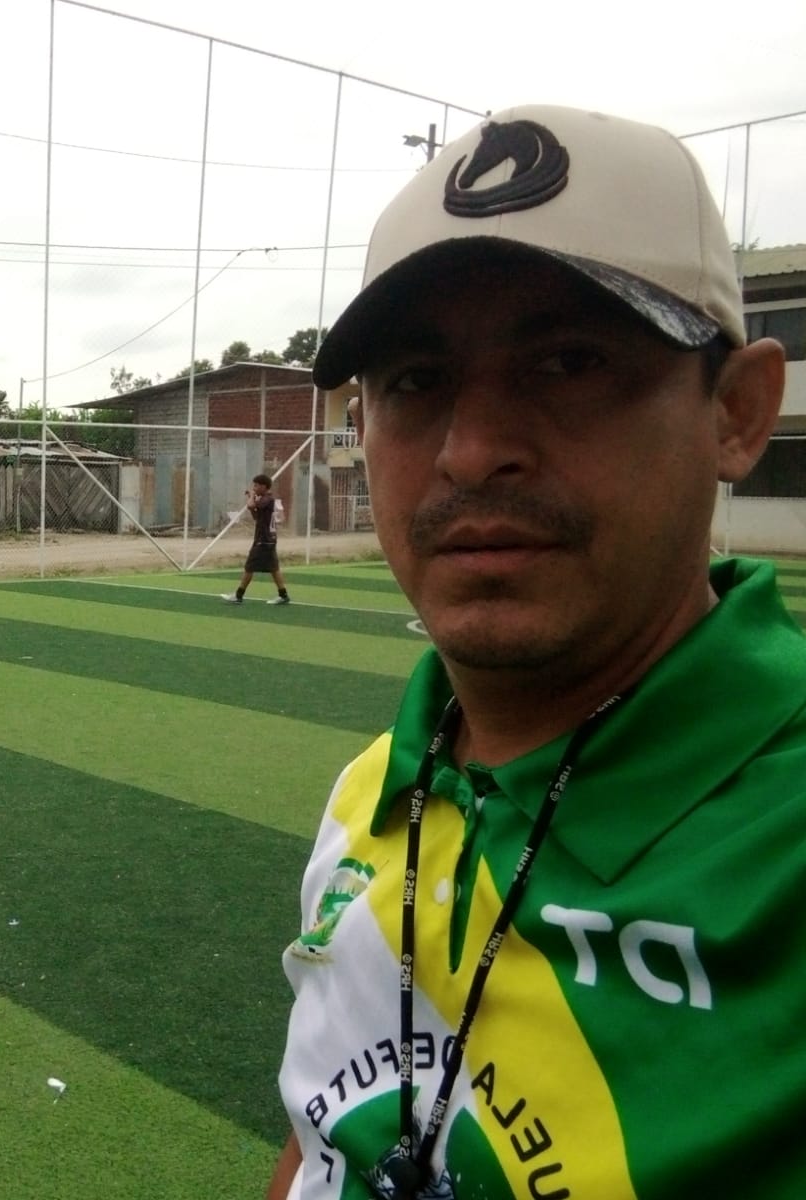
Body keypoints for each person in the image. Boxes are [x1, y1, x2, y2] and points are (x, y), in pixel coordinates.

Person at [267, 105, 795, 1199]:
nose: (471, 451)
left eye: (568, 361)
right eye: (414, 381)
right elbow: (324, 1135)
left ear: (737, 413)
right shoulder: (376, 789)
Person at [222, 474, 290, 605]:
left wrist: (251, 497)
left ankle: (238, 595)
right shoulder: (265, 500)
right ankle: (283, 595)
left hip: (264, 540)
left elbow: (250, 505)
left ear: (264, 486)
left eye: (256, 486)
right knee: (274, 568)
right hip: (268, 539)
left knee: (250, 567)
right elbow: (256, 516)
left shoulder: (267, 499)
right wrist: (252, 500)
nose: (254, 488)